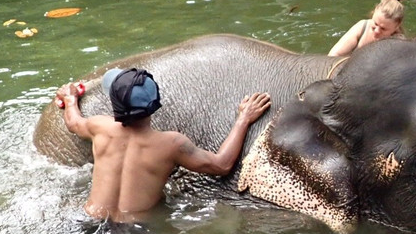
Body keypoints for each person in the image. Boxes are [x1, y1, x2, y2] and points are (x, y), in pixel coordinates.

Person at [55, 67, 271, 222]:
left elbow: (73, 123)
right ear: (155, 103)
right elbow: (222, 165)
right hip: (135, 230)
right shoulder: (171, 144)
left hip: (89, 220)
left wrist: (70, 98)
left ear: (114, 104)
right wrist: (243, 119)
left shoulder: (99, 126)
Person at [328, 0, 407, 57]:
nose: (376, 31)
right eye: (375, 24)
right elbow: (333, 55)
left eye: (383, 29)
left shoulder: (398, 44)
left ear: (397, 26)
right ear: (373, 13)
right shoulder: (363, 27)